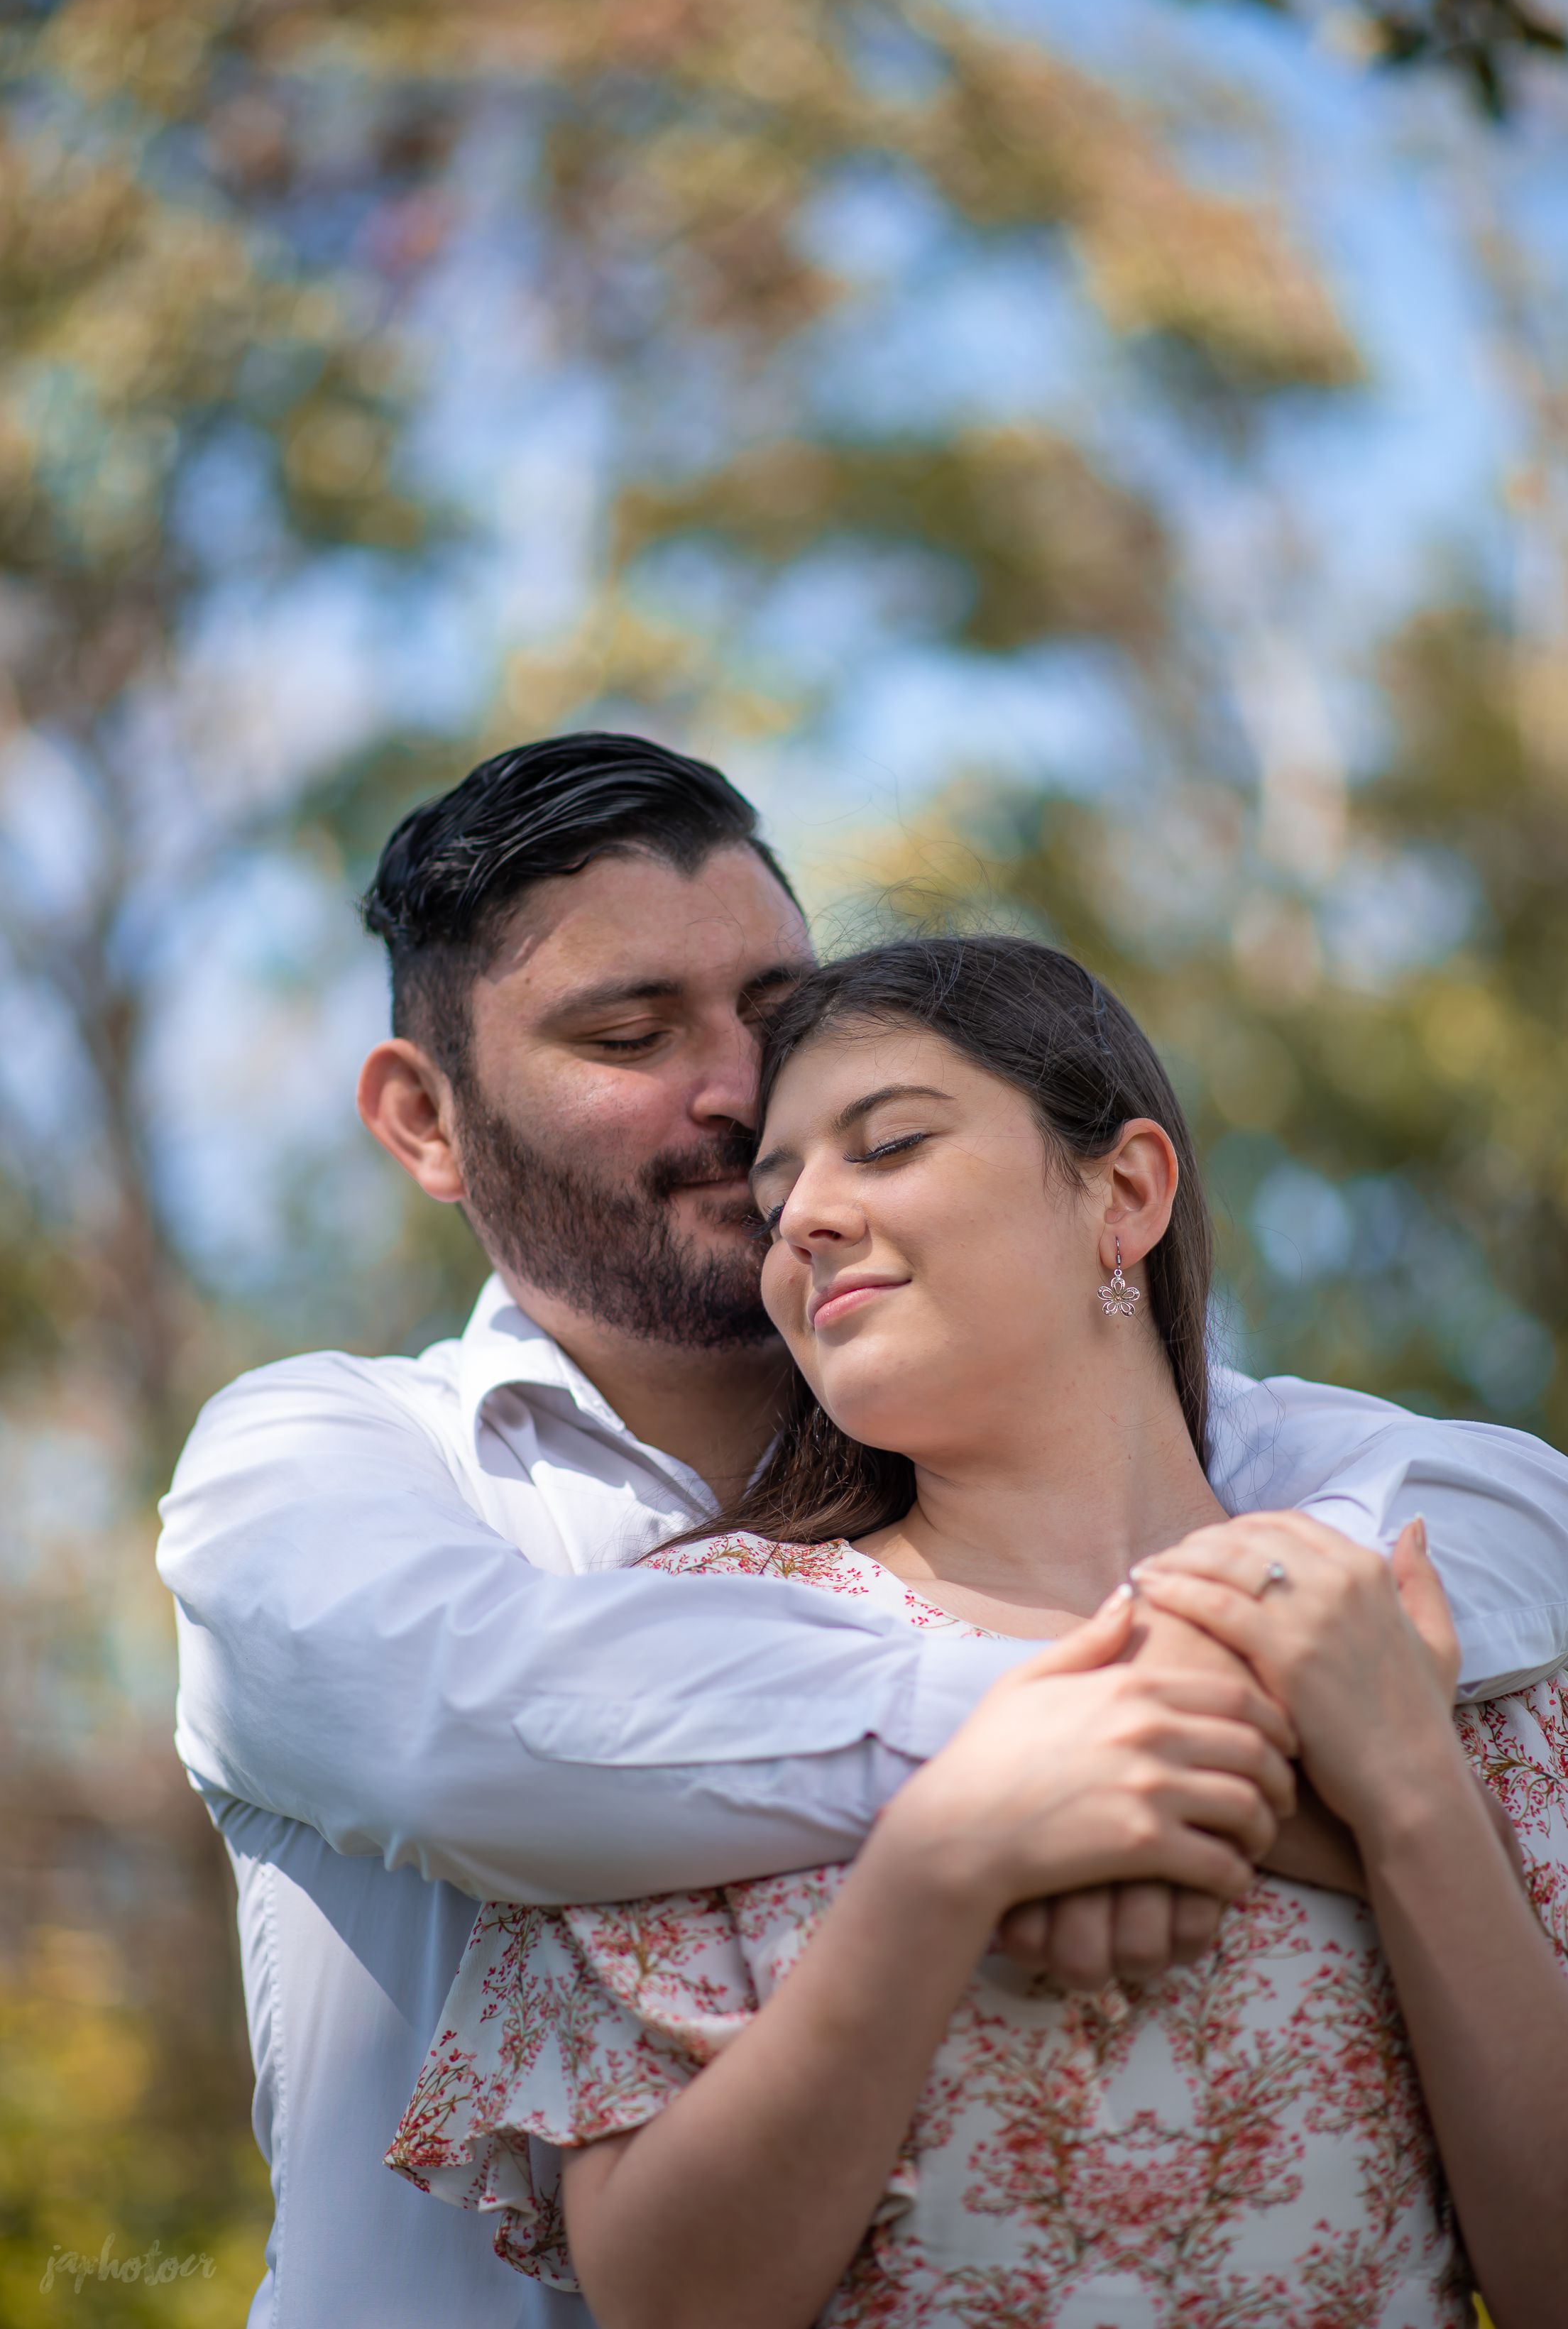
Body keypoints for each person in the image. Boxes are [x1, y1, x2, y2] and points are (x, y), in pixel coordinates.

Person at [157, 735, 1568, 2329]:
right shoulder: (325, 1457)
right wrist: (1130, 1754)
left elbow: (1511, 1516)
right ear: (425, 1119)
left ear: (1122, 1193)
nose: (738, 1090)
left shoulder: (1230, 1476)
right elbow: (481, 1731)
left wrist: (1387, 1774)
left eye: (775, 1014)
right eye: (629, 1033)